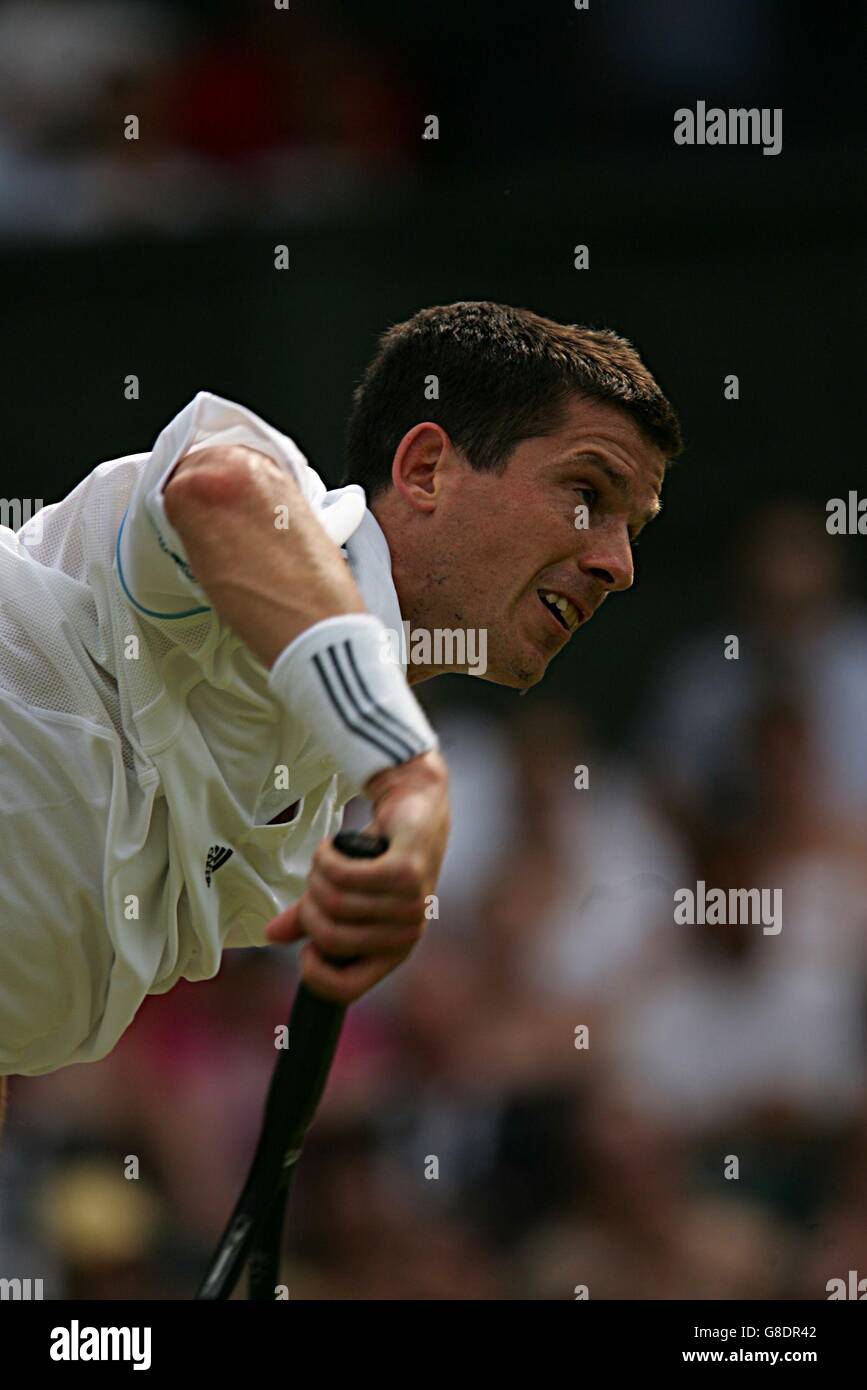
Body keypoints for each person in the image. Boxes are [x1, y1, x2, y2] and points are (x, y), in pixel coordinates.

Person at [0, 300, 681, 1106]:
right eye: (585, 492)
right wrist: (408, 774)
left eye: (632, 528)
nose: (617, 564)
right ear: (426, 468)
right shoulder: (290, 520)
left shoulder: (297, 836)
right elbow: (219, 486)